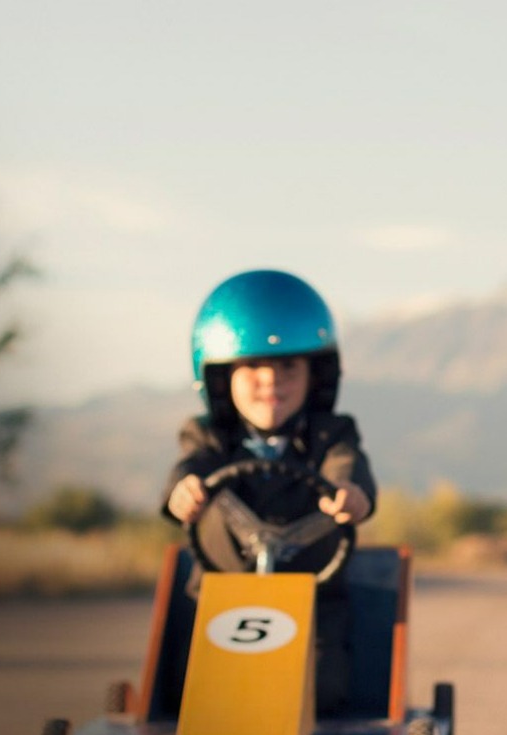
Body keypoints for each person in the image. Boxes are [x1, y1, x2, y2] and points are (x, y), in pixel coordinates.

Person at [161, 269, 377, 716]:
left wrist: (349, 494)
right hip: (219, 598)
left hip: (312, 601)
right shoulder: (207, 438)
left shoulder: (332, 434)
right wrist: (182, 493)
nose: (271, 381)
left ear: (316, 375)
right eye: (254, 367)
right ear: (221, 379)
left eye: (287, 367)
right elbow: (187, 471)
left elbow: (347, 469)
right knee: (194, 690)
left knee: (324, 688)